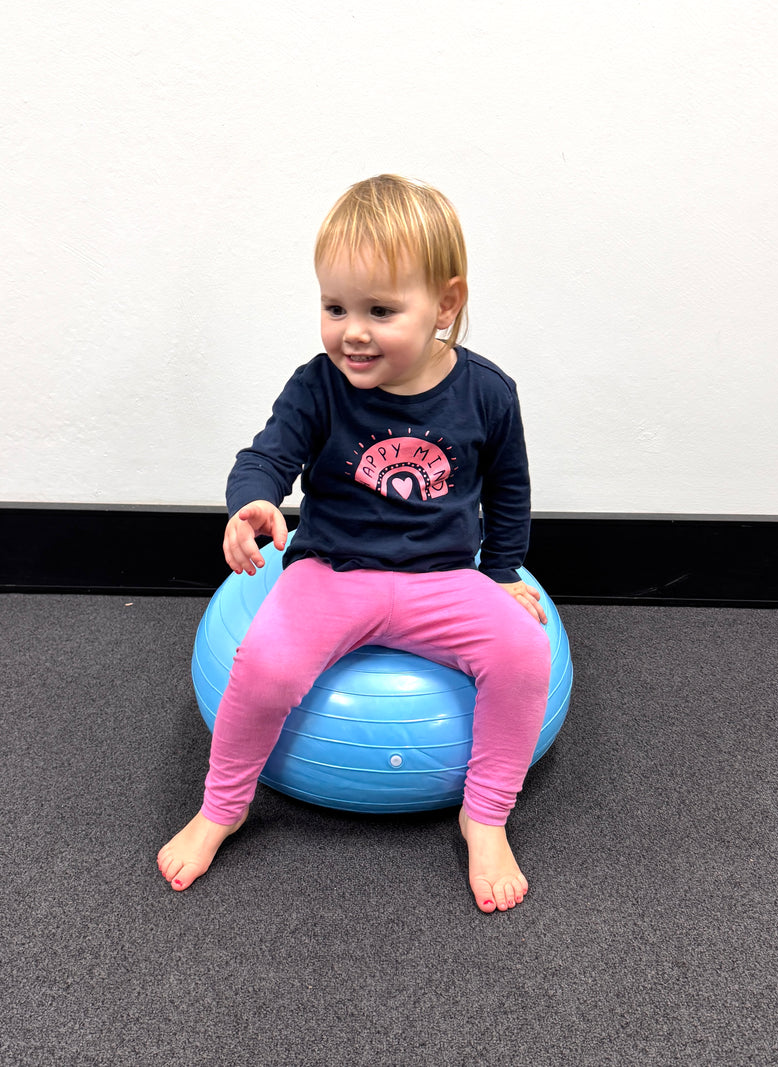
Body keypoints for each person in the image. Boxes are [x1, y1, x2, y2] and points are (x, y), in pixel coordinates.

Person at [158, 174, 552, 913]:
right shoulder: (319, 386)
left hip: (443, 578)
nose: (353, 331)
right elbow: (268, 454)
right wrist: (252, 503)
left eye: (380, 310)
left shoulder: (488, 394)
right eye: (334, 307)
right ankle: (224, 804)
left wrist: (499, 575)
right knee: (266, 662)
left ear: (446, 303)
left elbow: (509, 490)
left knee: (524, 652)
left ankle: (486, 814)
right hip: (333, 571)